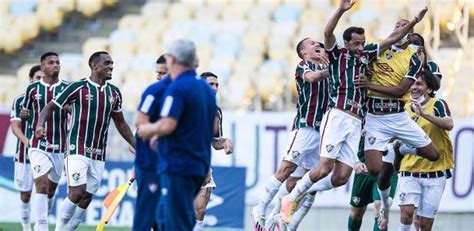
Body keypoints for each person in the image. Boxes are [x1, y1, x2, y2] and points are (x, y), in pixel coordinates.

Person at [280, 0, 428, 224]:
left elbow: (391, 39)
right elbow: (328, 32)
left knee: (341, 177)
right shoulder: (337, 54)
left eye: (363, 43)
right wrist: (340, 9)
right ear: (346, 43)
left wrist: (414, 22)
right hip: (338, 115)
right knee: (324, 168)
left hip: (356, 121)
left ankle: (298, 194)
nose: (361, 47)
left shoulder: (367, 55)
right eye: (356, 44)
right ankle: (290, 199)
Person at [352, 18, 439, 228]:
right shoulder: (375, 49)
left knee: (433, 154)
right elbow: (354, 63)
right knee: (374, 170)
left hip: (398, 115)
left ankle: (400, 149)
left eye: (405, 27)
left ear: (409, 34)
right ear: (393, 30)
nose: (401, 29)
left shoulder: (414, 59)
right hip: (374, 116)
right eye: (397, 26)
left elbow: (401, 91)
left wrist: (369, 84)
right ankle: (384, 203)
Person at [38, 51, 136, 230]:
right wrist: (39, 125)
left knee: (87, 197)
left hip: (98, 153)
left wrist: (137, 146)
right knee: (77, 192)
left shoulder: (114, 93)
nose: (111, 66)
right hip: (77, 148)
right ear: (94, 66)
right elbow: (49, 107)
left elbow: (121, 124)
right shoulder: (78, 87)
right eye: (107, 63)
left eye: (112, 63)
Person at [251, 38, 330, 230]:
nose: (317, 44)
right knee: (286, 170)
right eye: (312, 44)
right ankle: (260, 208)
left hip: (323, 130)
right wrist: (334, 69)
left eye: (318, 43)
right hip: (305, 127)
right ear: (303, 51)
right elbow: (312, 78)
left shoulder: (330, 67)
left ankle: (284, 220)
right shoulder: (303, 65)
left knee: (307, 184)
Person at [137, 39, 216, 231]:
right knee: (181, 217)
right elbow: (212, 127)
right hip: (199, 164)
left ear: (172, 60)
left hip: (178, 164)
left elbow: (167, 124)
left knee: (175, 222)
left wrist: (149, 131)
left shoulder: (178, 87)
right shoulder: (207, 89)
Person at [397, 69, 453, 231]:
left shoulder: (438, 104)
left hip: (435, 172)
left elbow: (449, 124)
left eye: (419, 84)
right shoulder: (403, 107)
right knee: (406, 213)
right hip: (409, 170)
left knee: (424, 225)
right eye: (412, 83)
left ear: (429, 89)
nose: (414, 87)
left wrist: (423, 114)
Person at [22, 52, 69, 231]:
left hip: (60, 146)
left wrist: (70, 108)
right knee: (40, 184)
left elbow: (76, 110)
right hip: (38, 144)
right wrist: (24, 115)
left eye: (57, 62)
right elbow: (25, 113)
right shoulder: (32, 89)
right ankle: (41, 226)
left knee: (50, 190)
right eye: (51, 63)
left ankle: (45, 214)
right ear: (43, 67)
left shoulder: (67, 87)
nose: (56, 65)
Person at [132, 54, 171, 231]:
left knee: (167, 217)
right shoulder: (153, 92)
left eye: (163, 73)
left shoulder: (183, 94)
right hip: (150, 165)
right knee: (148, 217)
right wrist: (157, 132)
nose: (158, 76)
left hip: (173, 166)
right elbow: (139, 124)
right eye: (158, 72)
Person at [194, 72, 233, 231]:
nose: (215, 87)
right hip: (182, 162)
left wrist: (225, 141)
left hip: (202, 164)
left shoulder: (216, 112)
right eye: (211, 84)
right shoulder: (189, 105)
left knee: (200, 209)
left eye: (217, 84)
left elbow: (213, 142)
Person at [10, 65, 44, 231]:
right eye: (38, 78)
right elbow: (15, 126)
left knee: (44, 193)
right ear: (31, 79)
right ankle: (26, 228)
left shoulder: (52, 100)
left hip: (46, 154)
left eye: (43, 78)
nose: (41, 81)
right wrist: (27, 142)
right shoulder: (20, 101)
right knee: (25, 195)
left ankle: (40, 226)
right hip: (24, 156)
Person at [348, 137, 398, 231]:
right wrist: (355, 160)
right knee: (356, 214)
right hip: (365, 165)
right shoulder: (363, 122)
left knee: (380, 208)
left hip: (387, 166)